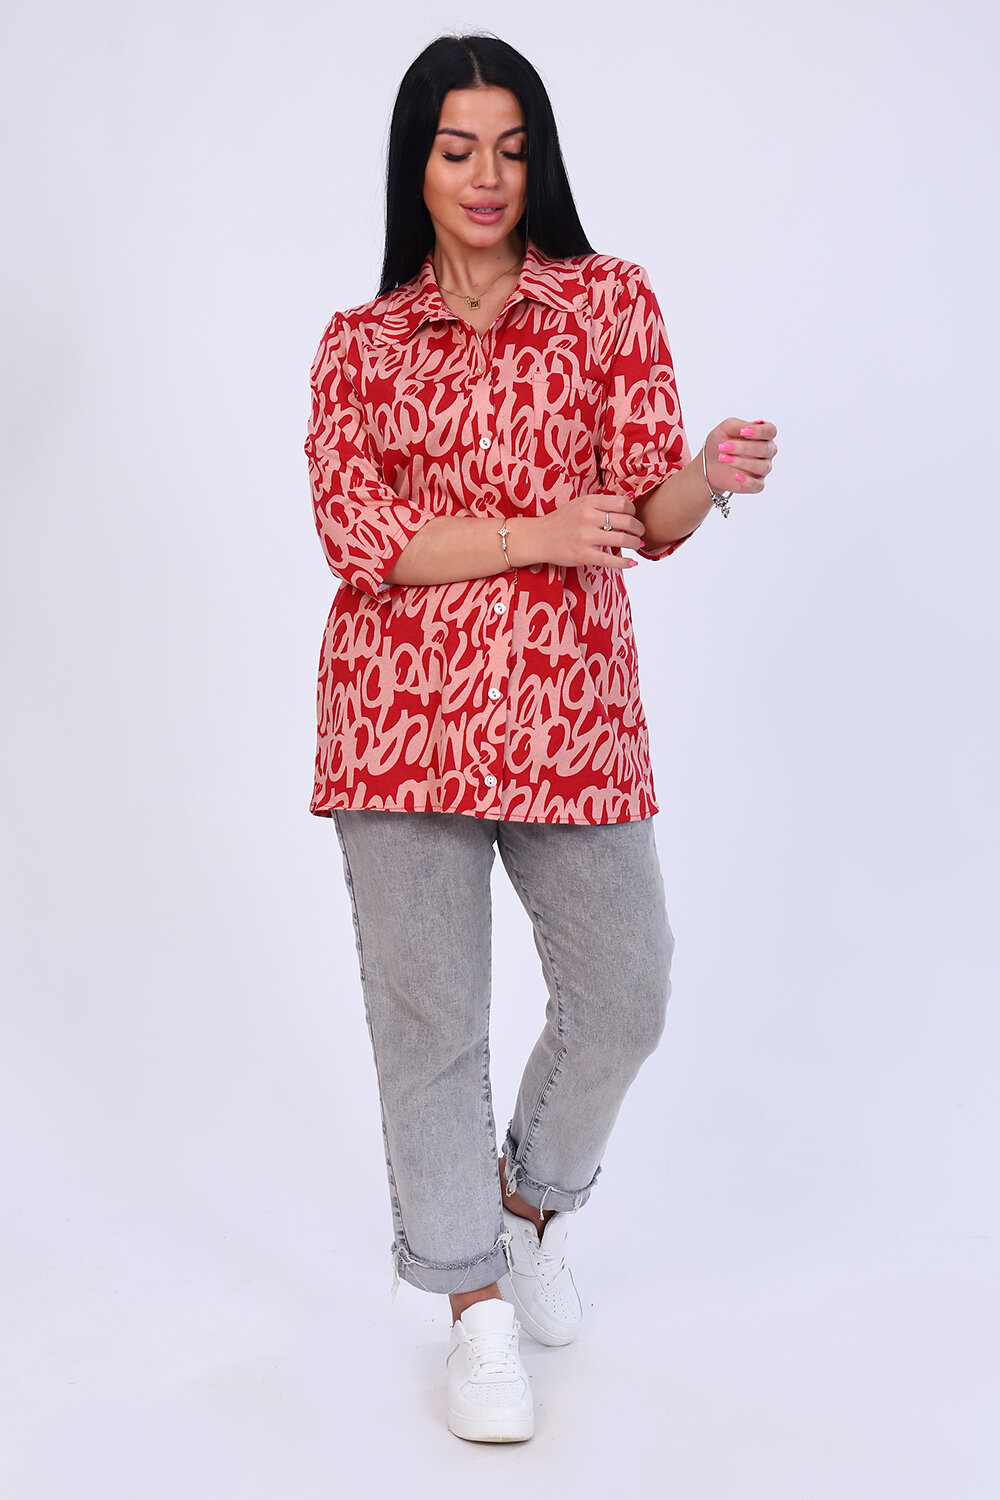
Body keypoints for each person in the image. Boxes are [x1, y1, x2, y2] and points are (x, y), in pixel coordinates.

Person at [304, 33, 778, 1444]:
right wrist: (533, 533)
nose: (487, 176)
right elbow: (365, 538)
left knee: (628, 987)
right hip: (399, 722)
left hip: (571, 714)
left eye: (511, 149)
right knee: (432, 1026)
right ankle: (474, 1312)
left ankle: (521, 1216)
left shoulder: (607, 302)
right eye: (459, 149)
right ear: (418, 163)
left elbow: (643, 511)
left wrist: (703, 476)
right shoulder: (359, 345)